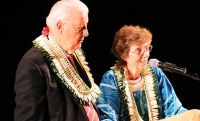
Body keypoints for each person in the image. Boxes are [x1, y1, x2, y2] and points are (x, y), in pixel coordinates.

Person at [14, 0, 100, 121]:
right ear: (60, 26)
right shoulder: (32, 65)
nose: (86, 33)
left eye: (86, 27)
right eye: (80, 28)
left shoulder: (76, 52)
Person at [96, 25, 188, 121]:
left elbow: (174, 108)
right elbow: (107, 118)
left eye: (147, 48)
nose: (146, 54)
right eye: (138, 50)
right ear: (124, 55)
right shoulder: (111, 78)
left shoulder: (156, 73)